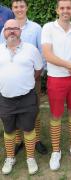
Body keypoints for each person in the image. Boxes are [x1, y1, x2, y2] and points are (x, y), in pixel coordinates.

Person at [41, 0, 71, 171]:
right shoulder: (48, 27)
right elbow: (47, 54)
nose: (65, 10)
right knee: (55, 115)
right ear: (57, 10)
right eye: (62, 8)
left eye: (68, 8)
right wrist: (68, 65)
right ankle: (56, 151)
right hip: (56, 78)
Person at [0, 19, 43, 175]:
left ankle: (30, 158)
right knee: (9, 130)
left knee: (29, 129)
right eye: (8, 29)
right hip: (5, 99)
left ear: (21, 31)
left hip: (27, 98)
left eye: (15, 28)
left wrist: (24, 81)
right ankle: (10, 157)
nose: (12, 31)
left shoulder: (31, 49)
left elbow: (38, 69)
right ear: (4, 32)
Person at [4, 0, 47, 156]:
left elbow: (42, 53)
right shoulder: (5, 28)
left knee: (33, 110)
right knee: (13, 112)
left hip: (33, 78)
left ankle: (35, 140)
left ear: (27, 7)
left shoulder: (36, 28)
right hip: (13, 80)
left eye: (22, 6)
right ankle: (17, 141)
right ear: (12, 9)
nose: (19, 9)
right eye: (16, 6)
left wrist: (38, 75)